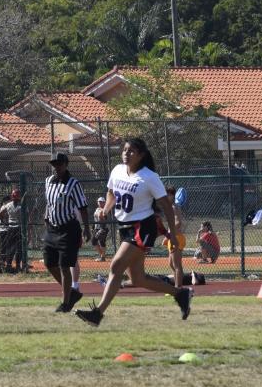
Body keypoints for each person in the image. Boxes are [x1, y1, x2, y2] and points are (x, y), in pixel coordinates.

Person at [75, 137, 192, 328]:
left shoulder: (149, 176)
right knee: (137, 278)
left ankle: (98, 314)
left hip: (142, 228)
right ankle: (181, 294)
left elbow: (166, 206)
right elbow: (111, 192)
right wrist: (106, 210)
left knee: (116, 266)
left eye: (131, 151)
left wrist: (171, 231)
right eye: (125, 150)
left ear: (141, 155)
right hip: (125, 228)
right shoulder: (118, 170)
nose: (126, 154)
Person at [42, 152, 90, 313]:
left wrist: (87, 228)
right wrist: (46, 216)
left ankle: (65, 302)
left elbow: (83, 207)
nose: (56, 167)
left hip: (68, 229)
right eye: (54, 164)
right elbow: (49, 203)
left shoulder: (73, 183)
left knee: (64, 266)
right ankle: (71, 293)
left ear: (66, 165)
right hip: (52, 228)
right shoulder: (48, 181)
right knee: (49, 263)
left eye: (59, 164)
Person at [0, 190, 21, 273]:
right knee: (19, 248)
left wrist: (4, 222)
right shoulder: (21, 206)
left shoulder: (8, 205)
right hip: (18, 228)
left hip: (10, 228)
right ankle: (17, 266)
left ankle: (9, 265)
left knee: (10, 248)